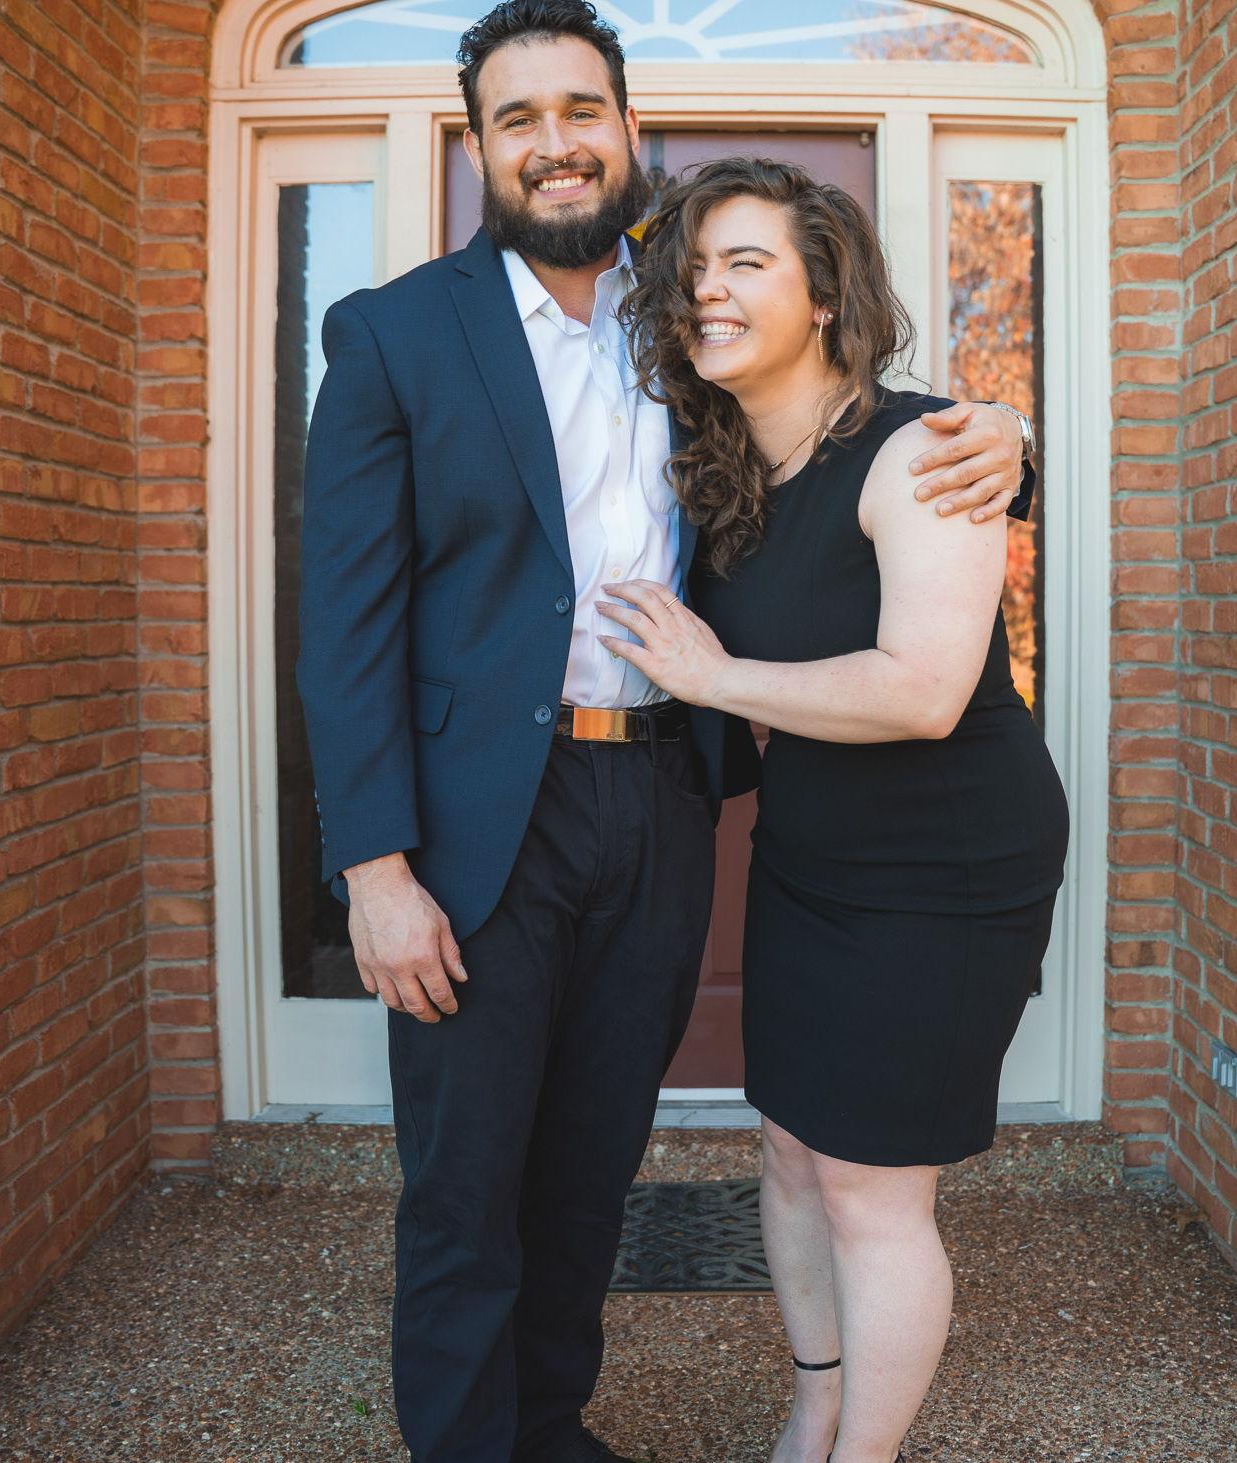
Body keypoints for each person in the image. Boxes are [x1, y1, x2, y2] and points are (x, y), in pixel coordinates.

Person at [294, 3, 1036, 1460]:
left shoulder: (688, 324)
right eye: (518, 119)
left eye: (582, 110)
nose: (556, 144)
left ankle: (549, 1428)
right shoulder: (396, 335)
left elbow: (846, 439)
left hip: (657, 801)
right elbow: (347, 622)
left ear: (629, 130)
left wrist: (1008, 439)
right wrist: (374, 869)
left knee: (591, 1167)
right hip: (478, 821)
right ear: (480, 150)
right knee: (467, 1181)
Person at [600, 157, 1070, 1463]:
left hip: (946, 862)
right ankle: (816, 1407)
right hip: (812, 854)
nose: (709, 287)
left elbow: (922, 690)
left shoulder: (921, 449)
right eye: (696, 267)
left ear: (823, 296)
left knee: (872, 1186)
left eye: (746, 262)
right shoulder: (722, 471)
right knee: (792, 1152)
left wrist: (711, 677)